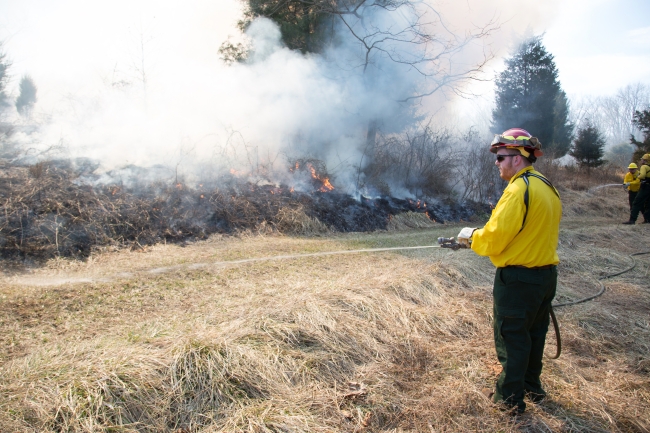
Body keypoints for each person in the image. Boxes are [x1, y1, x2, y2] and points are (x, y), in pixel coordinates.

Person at [456, 128, 562, 414]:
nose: (497, 162)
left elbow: (494, 239)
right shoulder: (547, 186)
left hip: (518, 281)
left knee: (512, 338)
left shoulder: (517, 190)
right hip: (545, 278)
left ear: (517, 158)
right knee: (534, 335)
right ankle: (531, 386)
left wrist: (471, 237)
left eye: (501, 157)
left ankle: (509, 400)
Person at [623, 154, 650, 224]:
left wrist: (639, 177)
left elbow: (642, 176)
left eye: (642, 159)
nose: (641, 160)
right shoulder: (628, 175)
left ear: (645, 160)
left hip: (645, 188)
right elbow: (625, 180)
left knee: (636, 203)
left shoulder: (644, 167)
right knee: (648, 204)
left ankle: (632, 220)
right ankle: (648, 220)